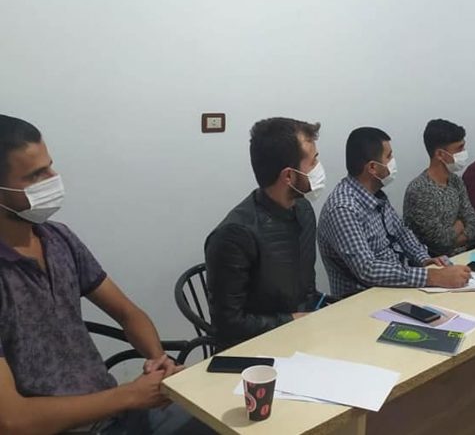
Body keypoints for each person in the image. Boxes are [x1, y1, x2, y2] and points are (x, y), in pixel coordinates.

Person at [0, 115, 207, 434]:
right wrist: (130, 395)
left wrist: (158, 358)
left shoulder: (57, 239)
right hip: (68, 425)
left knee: (225, 419)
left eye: (50, 167)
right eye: (36, 175)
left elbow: (127, 312)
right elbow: (13, 420)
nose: (53, 179)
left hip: (116, 414)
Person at [205, 117, 327, 351]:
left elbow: (306, 290)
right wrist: (290, 321)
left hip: (302, 337)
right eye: (313, 161)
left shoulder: (303, 210)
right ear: (288, 176)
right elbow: (228, 325)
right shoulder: (234, 236)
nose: (318, 168)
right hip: (255, 354)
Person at [318, 127, 471, 299]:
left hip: (398, 286)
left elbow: (402, 233)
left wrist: (424, 260)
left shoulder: (375, 195)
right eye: (389, 156)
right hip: (367, 299)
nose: (393, 161)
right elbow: (368, 269)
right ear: (373, 167)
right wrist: (431, 276)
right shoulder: (343, 209)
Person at [403, 119, 475, 257]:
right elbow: (439, 242)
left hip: (467, 254)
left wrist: (456, 234)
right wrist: (459, 225)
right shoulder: (419, 190)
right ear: (440, 154)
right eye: (459, 148)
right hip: (437, 262)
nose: (464, 152)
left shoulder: (456, 181)